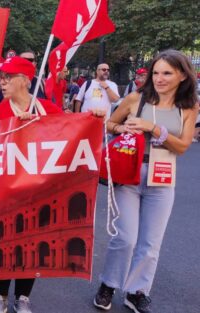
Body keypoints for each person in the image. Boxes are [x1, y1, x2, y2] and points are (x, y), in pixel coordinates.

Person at [94, 50, 198, 313]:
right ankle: (109, 284)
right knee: (126, 237)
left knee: (151, 243)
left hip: (163, 177)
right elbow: (109, 124)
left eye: (167, 73)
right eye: (156, 72)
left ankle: (137, 291)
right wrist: (122, 128)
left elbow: (183, 146)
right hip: (130, 172)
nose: (160, 78)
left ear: (182, 75)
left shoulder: (188, 106)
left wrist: (154, 128)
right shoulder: (136, 98)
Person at [0, 56, 66, 313]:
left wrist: (96, 116)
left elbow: (69, 134)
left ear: (25, 81)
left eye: (7, 77)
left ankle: (23, 297)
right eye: (1, 77)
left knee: (30, 244)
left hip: (37, 189)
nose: (2, 82)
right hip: (4, 188)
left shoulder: (48, 109)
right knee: (2, 241)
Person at [0, 51, 46, 115]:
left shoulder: (42, 84)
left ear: (35, 63)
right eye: (22, 59)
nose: (2, 82)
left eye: (30, 60)